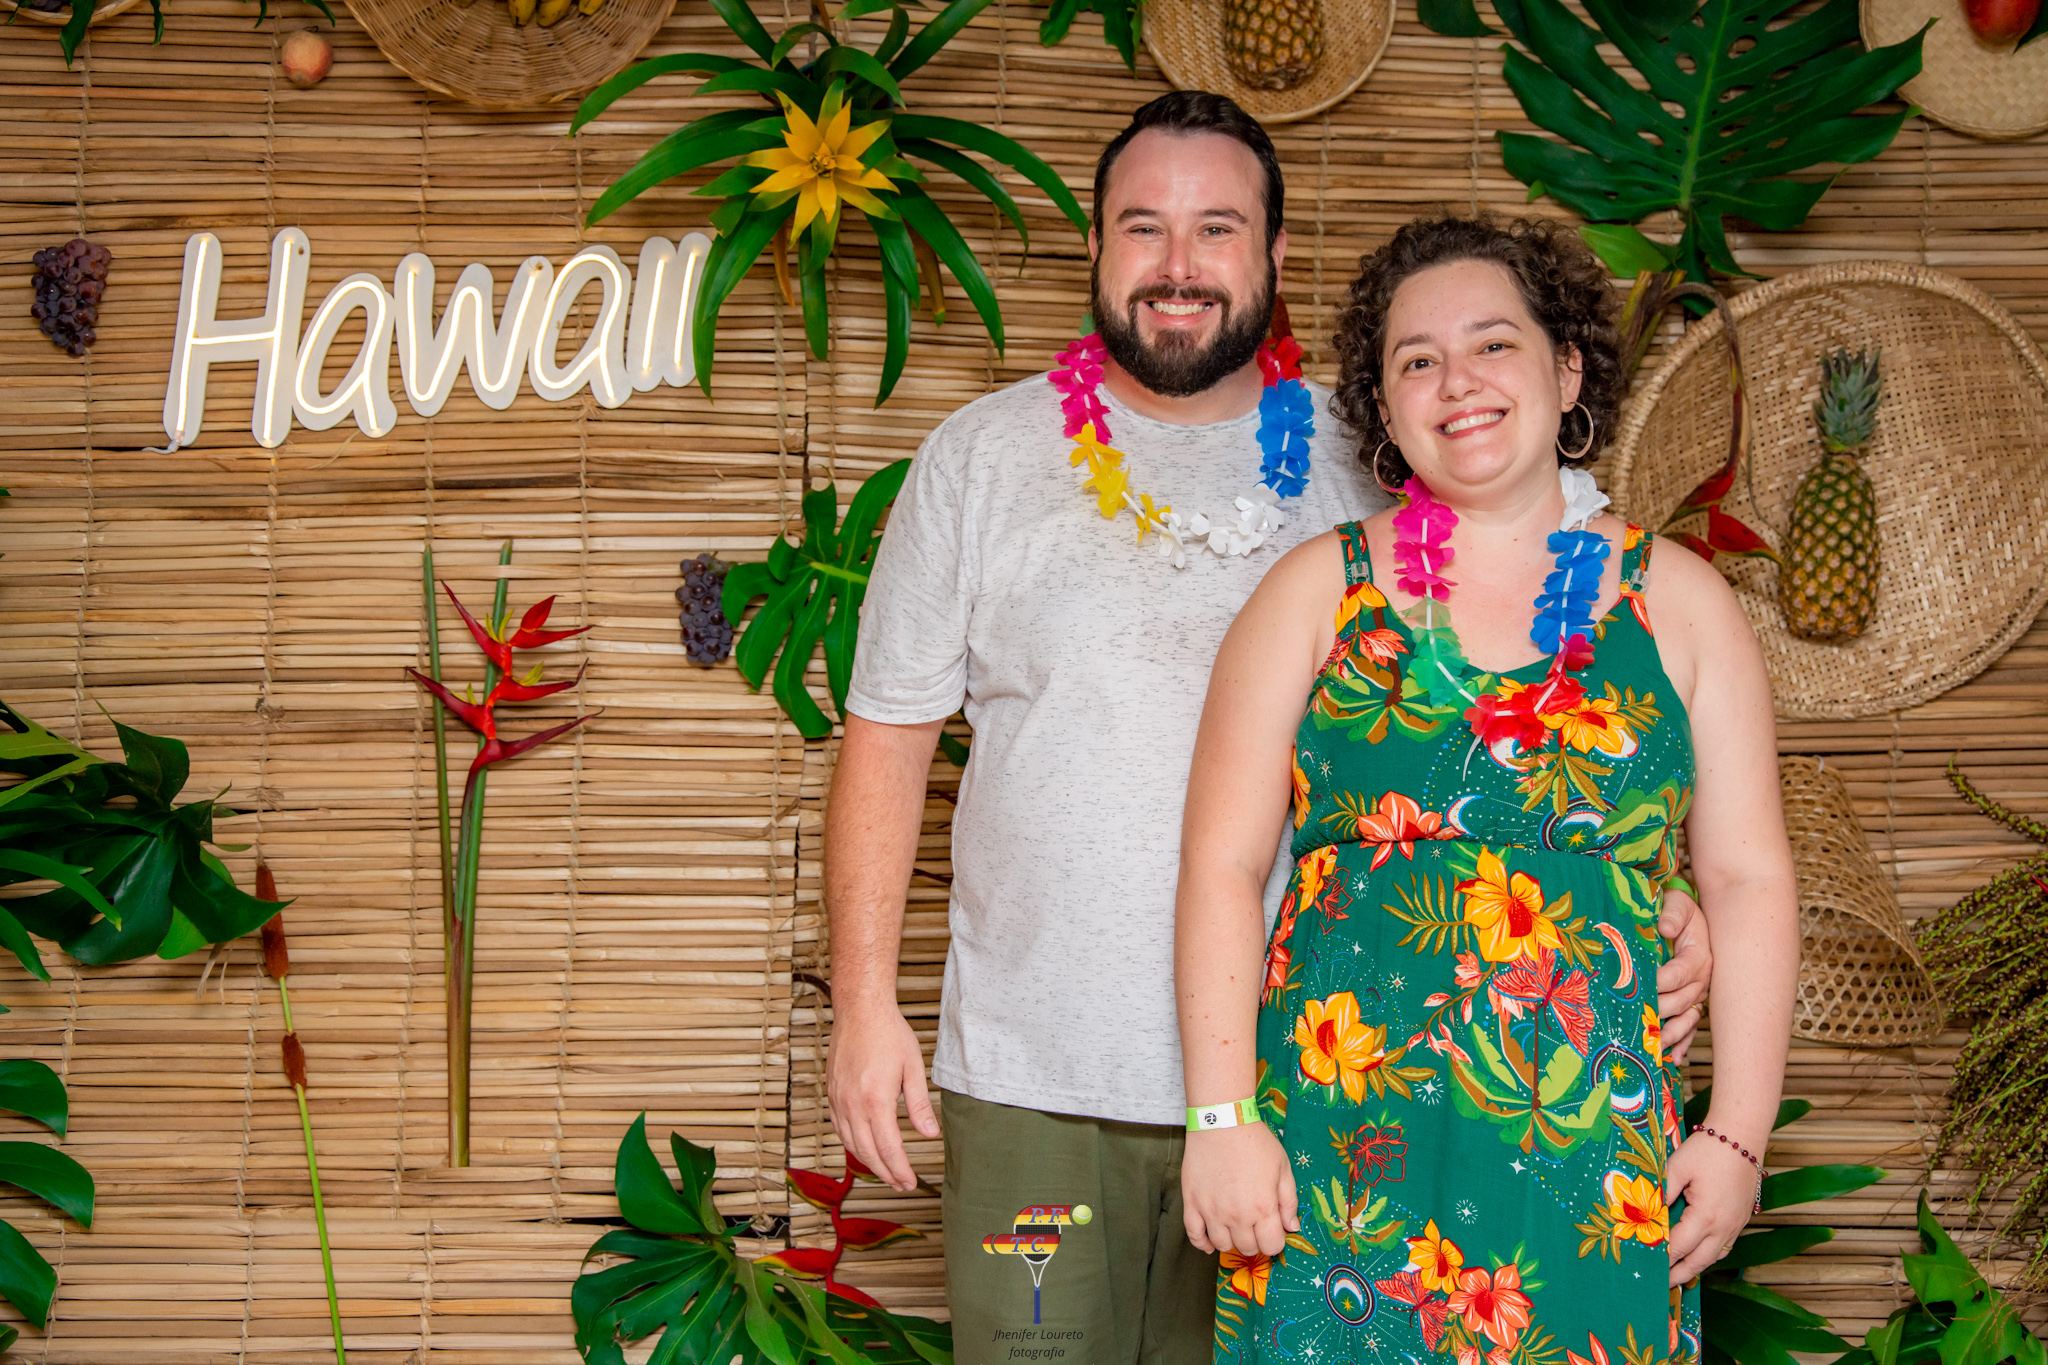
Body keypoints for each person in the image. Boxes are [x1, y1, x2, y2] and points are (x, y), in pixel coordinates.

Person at [827, 97, 1717, 1365]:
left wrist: (1658, 898)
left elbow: (1556, 685)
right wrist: (864, 1007)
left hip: (1311, 1095)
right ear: (1094, 246)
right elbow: (884, 738)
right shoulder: (978, 461)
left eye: (1216, 228)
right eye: (1142, 227)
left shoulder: (1385, 456)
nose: (1177, 263)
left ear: (1274, 254)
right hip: (1035, 1081)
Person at [1174, 213, 1798, 1365]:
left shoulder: (1680, 605)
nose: (1455, 381)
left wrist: (1736, 1134)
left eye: (1491, 344)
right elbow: (1220, 865)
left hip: (1588, 1156)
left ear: (1567, 372)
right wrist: (1219, 1120)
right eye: (1416, 360)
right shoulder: (1313, 594)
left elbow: (1748, 878)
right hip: (1339, 1148)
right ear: (1383, 406)